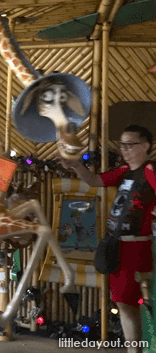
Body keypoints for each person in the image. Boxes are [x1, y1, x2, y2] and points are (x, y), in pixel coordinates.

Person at [58, 124, 155, 353]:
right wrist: (76, 165)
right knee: (123, 303)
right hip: (116, 244)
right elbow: (94, 181)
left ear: (145, 146)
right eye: (122, 144)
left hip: (136, 246)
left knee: (130, 303)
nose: (125, 149)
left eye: (130, 144)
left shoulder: (150, 169)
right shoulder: (123, 171)